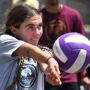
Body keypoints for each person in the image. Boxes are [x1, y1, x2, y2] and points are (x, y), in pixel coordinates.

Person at [0, 4, 62, 90]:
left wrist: (51, 72)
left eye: (39, 26)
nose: (37, 33)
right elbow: (29, 51)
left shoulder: (42, 52)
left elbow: (43, 61)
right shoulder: (4, 41)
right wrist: (49, 60)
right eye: (31, 27)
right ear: (14, 30)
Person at [39, 0, 86, 90]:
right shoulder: (37, 17)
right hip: (47, 75)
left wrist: (84, 75)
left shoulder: (73, 14)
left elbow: (83, 48)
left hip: (70, 76)